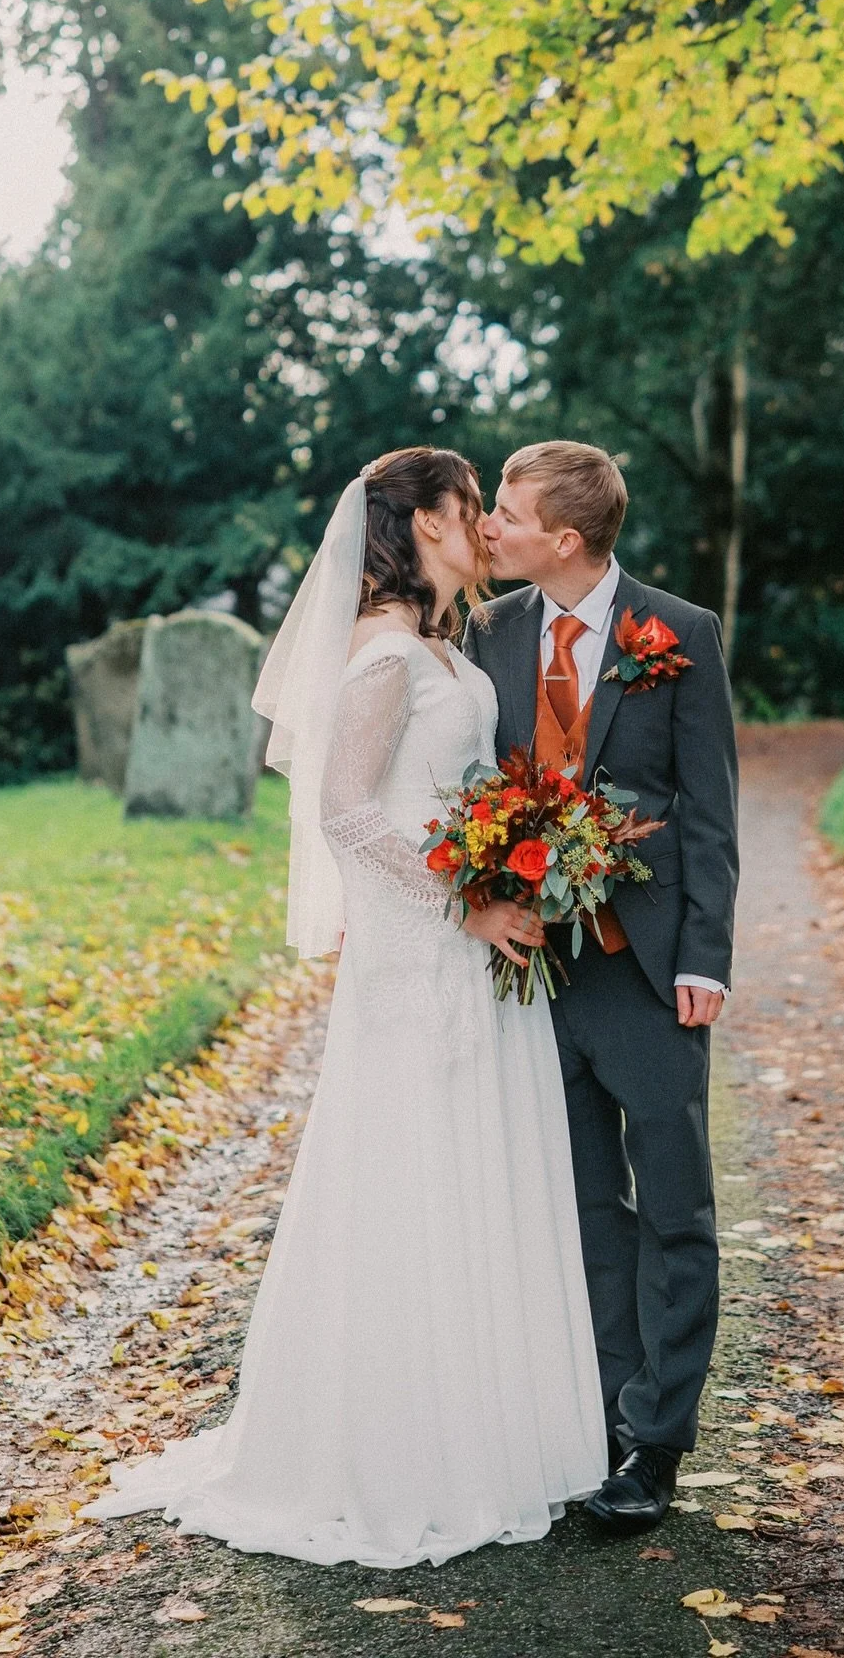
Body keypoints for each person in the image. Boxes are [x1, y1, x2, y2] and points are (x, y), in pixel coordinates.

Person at [81, 446, 606, 1567]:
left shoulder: (438, 645)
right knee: (409, 1177)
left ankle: (490, 1429)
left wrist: (514, 866)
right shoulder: (381, 654)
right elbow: (345, 813)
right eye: (472, 509)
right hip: (424, 955)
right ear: (423, 522)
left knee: (476, 1173)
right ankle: (395, 1452)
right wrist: (469, 899)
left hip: (472, 949)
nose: (483, 527)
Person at [464, 439, 739, 1534]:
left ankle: (660, 1444)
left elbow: (711, 809)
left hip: (652, 966)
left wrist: (706, 956)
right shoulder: (490, 634)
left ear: (565, 539)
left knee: (673, 1203)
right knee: (582, 1205)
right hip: (532, 972)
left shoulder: (679, 635)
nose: (491, 524)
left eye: (510, 513)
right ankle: (607, 1421)